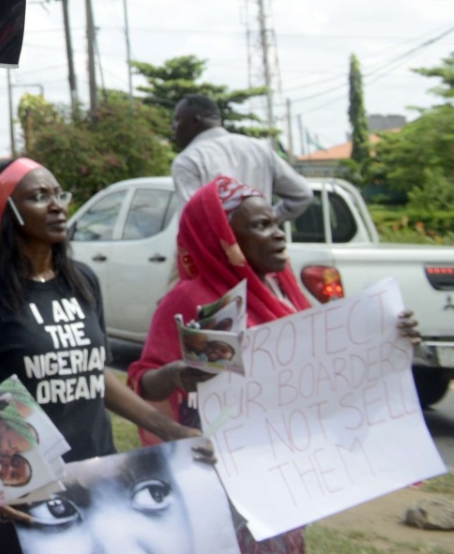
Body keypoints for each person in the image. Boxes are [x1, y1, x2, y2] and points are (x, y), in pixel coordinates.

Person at [125, 175, 420, 554]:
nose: (278, 235)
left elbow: (327, 364)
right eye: (260, 226)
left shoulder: (283, 291)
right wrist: (179, 373)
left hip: (282, 471)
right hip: (218, 470)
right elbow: (143, 384)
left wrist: (390, 339)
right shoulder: (191, 298)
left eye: (276, 224)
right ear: (223, 239)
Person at [0, 158, 194, 554]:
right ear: (9, 213)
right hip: (21, 497)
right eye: (38, 197)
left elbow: (90, 373)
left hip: (96, 478)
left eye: (58, 194)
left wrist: (167, 429)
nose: (56, 206)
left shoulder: (82, 281)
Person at [170, 96, 311, 221]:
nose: (173, 127)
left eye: (177, 120)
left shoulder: (189, 160)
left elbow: (192, 221)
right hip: (260, 247)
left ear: (195, 121)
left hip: (217, 250)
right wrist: (264, 221)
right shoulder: (259, 148)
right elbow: (302, 194)